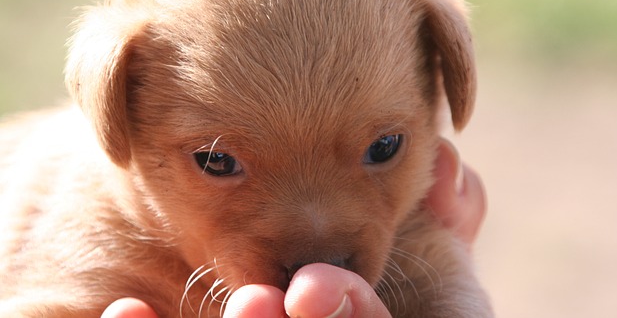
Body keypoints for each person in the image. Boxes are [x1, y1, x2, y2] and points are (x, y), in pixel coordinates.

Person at [102, 138, 486, 318]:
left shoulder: (411, 232)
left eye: (383, 148)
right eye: (217, 161)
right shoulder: (103, 235)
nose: (318, 251)